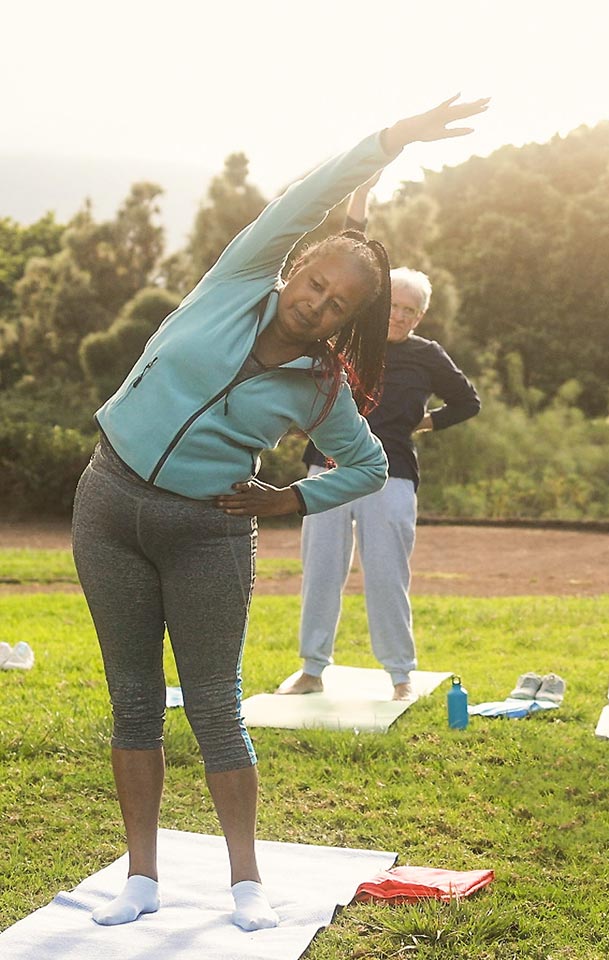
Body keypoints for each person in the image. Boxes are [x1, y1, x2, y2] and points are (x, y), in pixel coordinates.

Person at [69, 95, 490, 932]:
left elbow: (368, 464)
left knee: (216, 704)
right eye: (315, 284)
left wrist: (291, 497)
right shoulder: (237, 278)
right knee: (133, 701)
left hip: (208, 534)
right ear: (295, 270)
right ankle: (141, 879)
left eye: (338, 305)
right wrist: (391, 141)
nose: (317, 305)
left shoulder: (322, 384)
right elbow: (307, 196)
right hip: (109, 502)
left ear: (351, 321)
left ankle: (246, 884)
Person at [277, 175, 481, 701]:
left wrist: (426, 423)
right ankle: (312, 669)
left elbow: (467, 402)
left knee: (387, 575)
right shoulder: (354, 332)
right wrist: (362, 195)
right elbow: (354, 246)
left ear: (422, 316)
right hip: (328, 465)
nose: (402, 314)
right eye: (395, 305)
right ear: (382, 304)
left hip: (392, 475)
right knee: (321, 570)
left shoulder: (428, 356)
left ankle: (399, 675)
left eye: (413, 310)